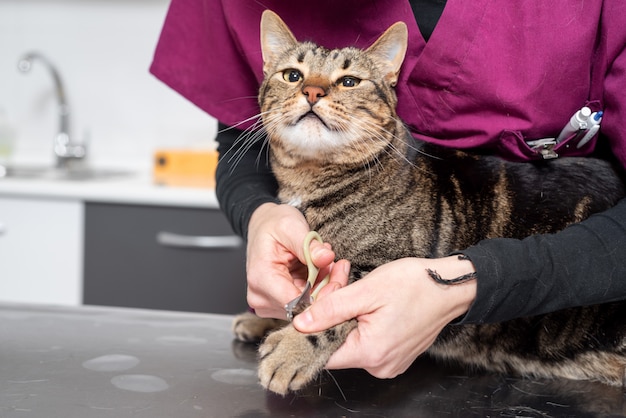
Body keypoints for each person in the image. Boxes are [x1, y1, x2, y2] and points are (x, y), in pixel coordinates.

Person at [151, 0, 626, 379]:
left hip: (588, 322)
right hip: (426, 378)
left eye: (345, 82)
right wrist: (257, 214)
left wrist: (464, 287)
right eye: (294, 77)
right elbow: (242, 133)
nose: (313, 93)